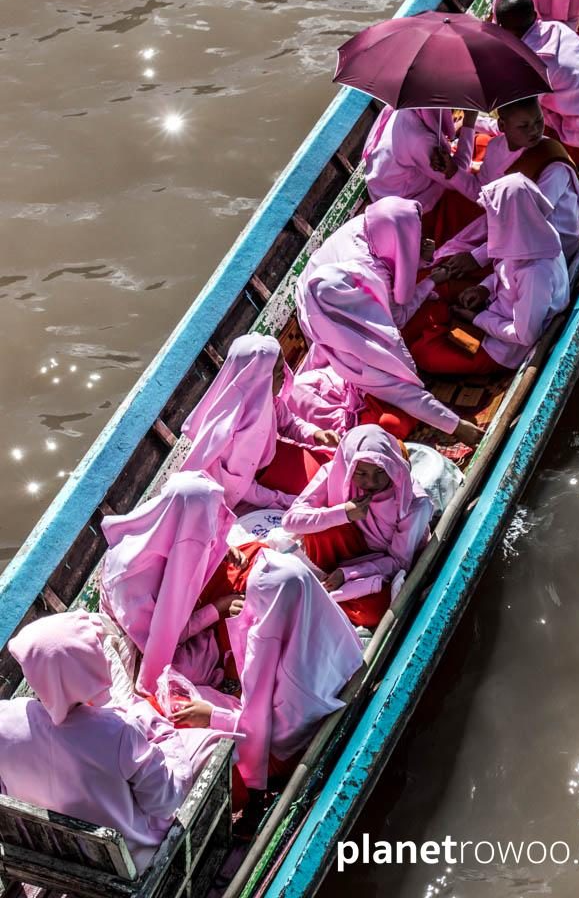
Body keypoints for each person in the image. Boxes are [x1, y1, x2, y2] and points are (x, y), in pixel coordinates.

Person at [0, 612, 204, 873]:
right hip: (131, 865)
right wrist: (164, 735)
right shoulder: (118, 732)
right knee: (211, 747)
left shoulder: (5, 720)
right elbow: (165, 801)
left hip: (62, 861)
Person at [170, 549, 364, 792]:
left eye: (260, 606)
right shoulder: (328, 620)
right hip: (322, 698)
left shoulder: (278, 659)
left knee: (185, 708)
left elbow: (266, 732)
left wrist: (212, 716)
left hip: (285, 748)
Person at [288, 261, 483, 446]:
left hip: (377, 391)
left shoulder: (365, 306)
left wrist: (430, 282)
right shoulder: (336, 345)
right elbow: (402, 393)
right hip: (360, 399)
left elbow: (400, 314)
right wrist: (456, 426)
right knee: (390, 425)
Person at [407, 175, 570, 375]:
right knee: (435, 314)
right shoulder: (530, 237)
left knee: (423, 352)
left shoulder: (535, 273)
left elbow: (525, 335)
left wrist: (477, 318)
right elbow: (504, 271)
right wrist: (484, 288)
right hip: (493, 316)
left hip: (501, 350)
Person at [100, 471, 239, 694]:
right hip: (138, 638)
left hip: (169, 616)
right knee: (189, 671)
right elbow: (163, 639)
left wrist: (220, 547)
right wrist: (217, 608)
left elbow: (193, 539)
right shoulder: (131, 583)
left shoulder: (165, 518)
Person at [280, 425, 433, 628]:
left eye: (380, 471)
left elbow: (398, 562)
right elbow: (290, 521)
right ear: (348, 466)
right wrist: (343, 513)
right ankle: (325, 586)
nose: (371, 482)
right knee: (319, 531)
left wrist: (347, 573)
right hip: (350, 549)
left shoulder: (414, 504)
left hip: (381, 564)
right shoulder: (335, 472)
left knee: (372, 612)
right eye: (360, 473)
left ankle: (318, 596)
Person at [181, 334, 337, 511]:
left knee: (337, 467)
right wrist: (285, 500)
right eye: (278, 372)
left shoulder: (267, 400)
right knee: (328, 495)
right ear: (260, 379)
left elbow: (288, 424)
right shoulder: (229, 433)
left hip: (277, 458)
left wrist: (316, 435)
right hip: (260, 483)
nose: (285, 376)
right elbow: (243, 488)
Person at [431, 96, 579, 271]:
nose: (534, 131)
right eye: (523, 126)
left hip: (554, 243)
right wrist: (452, 171)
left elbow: (531, 221)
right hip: (514, 228)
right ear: (503, 126)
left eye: (538, 121)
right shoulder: (496, 147)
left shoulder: (551, 163)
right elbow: (481, 193)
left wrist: (477, 257)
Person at [495, 0, 579, 167]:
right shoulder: (557, 27)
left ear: (503, 30)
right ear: (534, 15)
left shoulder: (528, 65)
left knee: (523, 131)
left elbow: (522, 118)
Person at [297, 196, 438, 328]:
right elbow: (397, 319)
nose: (419, 238)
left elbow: (397, 259)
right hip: (322, 320)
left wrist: (419, 257)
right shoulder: (373, 270)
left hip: (307, 288)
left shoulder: (366, 222)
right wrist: (431, 281)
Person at [362, 105, 487, 246]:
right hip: (402, 200)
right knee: (477, 205)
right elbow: (456, 175)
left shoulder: (404, 107)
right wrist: (469, 122)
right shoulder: (420, 140)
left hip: (383, 184)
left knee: (479, 143)